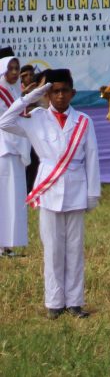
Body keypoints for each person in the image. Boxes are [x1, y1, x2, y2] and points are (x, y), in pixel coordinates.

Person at [0, 69, 100, 318]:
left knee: (74, 249)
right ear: (48, 93)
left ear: (73, 93)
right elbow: (5, 122)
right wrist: (31, 96)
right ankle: (54, 303)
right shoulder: (37, 117)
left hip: (76, 187)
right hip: (49, 188)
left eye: (65, 90)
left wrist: (92, 194)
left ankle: (75, 302)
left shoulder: (84, 121)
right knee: (53, 248)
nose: (60, 96)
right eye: (54, 91)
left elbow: (93, 160)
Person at [0, 50, 31, 257]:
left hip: (16, 149)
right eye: (10, 68)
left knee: (13, 198)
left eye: (16, 68)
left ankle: (7, 244)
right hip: (3, 148)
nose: (14, 72)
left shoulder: (15, 91)